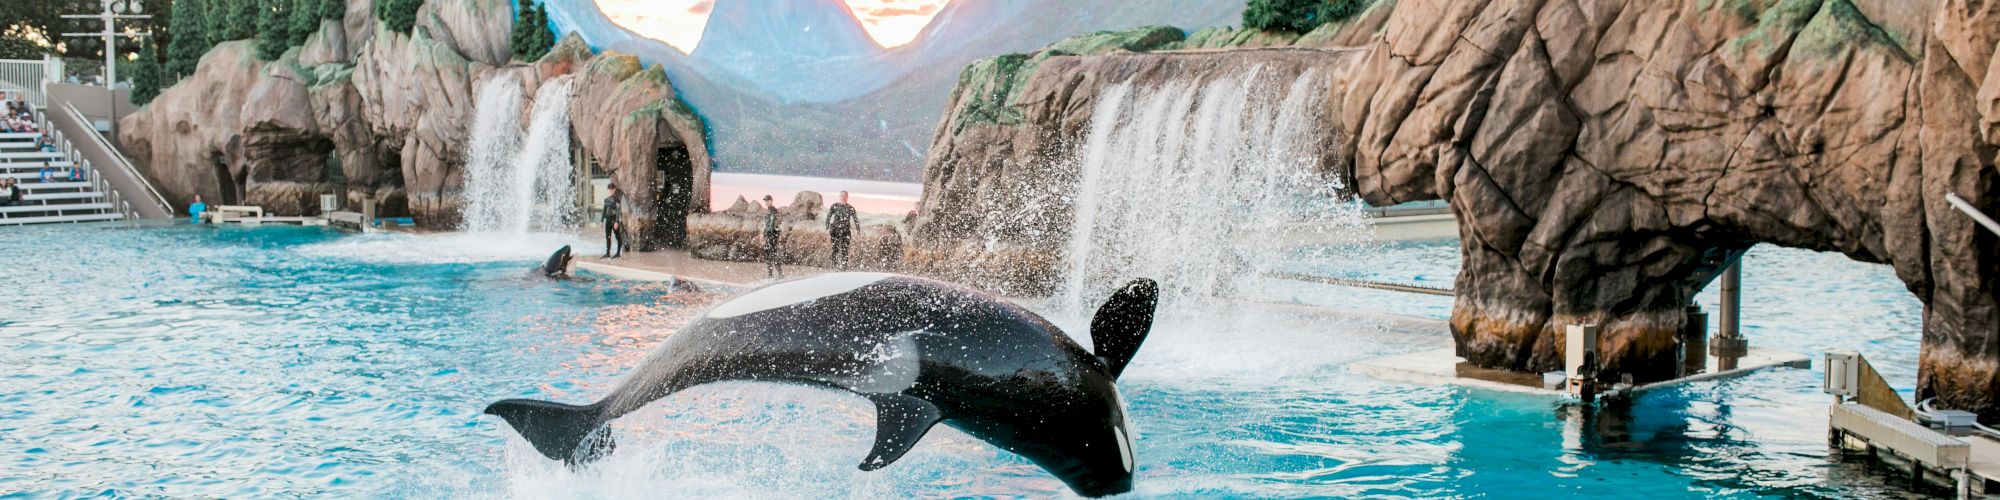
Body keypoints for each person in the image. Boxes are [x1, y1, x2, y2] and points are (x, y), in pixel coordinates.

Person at [825, 190, 859, 270]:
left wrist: (858, 230)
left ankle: (844, 267)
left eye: (844, 196)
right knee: (835, 249)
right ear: (839, 196)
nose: (843, 197)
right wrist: (827, 227)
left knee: (845, 250)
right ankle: (834, 266)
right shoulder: (835, 206)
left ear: (847, 197)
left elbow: (856, 220)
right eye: (842, 196)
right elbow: (828, 217)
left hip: (846, 231)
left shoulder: (850, 208)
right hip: (835, 230)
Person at [602, 184, 627, 258]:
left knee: (618, 237)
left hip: (614, 221)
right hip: (608, 221)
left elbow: (618, 211)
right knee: (608, 237)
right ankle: (607, 253)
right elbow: (604, 210)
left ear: (614, 190)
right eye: (609, 190)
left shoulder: (617, 200)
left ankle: (618, 253)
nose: (610, 191)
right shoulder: (606, 200)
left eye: (612, 190)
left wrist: (616, 222)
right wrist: (601, 220)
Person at [762, 194, 783, 278]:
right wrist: (765, 233)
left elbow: (772, 223)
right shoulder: (770, 210)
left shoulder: (773, 210)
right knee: (769, 254)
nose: (766, 202)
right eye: (765, 201)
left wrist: (768, 232)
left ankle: (778, 274)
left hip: (773, 234)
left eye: (767, 200)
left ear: (771, 201)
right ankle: (772, 274)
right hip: (771, 234)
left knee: (772, 254)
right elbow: (768, 224)